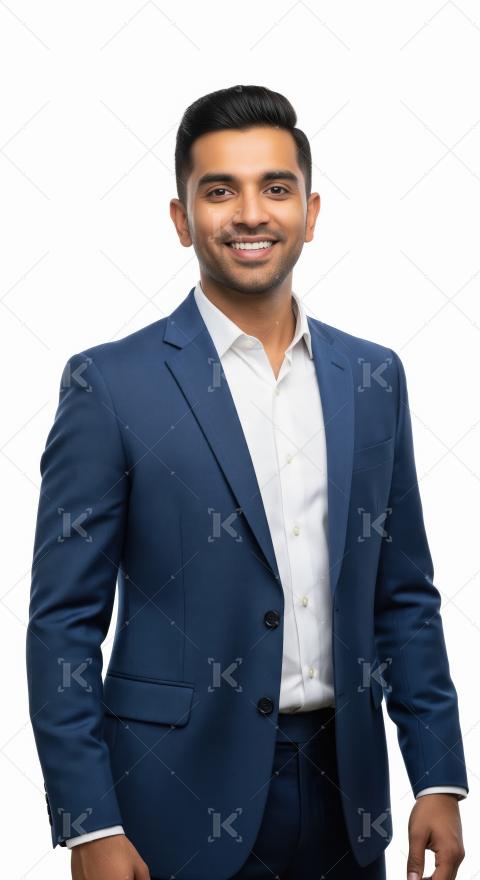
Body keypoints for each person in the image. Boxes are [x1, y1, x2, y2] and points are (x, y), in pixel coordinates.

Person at [26, 84, 468, 880]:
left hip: (350, 794)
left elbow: (403, 594)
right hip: (170, 798)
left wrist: (437, 775)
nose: (250, 213)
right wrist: (90, 821)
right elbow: (63, 624)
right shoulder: (110, 385)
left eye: (275, 187)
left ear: (311, 209)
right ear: (181, 217)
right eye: (219, 190)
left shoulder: (372, 377)